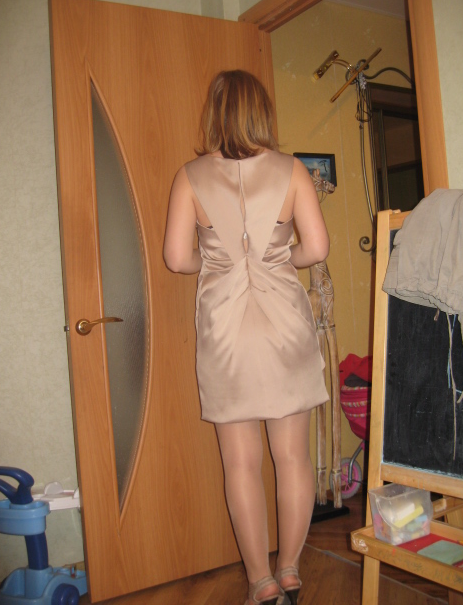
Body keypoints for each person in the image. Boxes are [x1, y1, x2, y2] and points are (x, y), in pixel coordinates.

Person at [164, 70, 330, 605]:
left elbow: (176, 259)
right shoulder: (293, 170)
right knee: (293, 457)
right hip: (284, 324)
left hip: (226, 331)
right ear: (262, 111)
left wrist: (214, 262)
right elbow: (316, 249)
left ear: (214, 113)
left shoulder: (189, 176)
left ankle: (260, 581)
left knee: (239, 463)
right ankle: (290, 570)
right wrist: (280, 258)